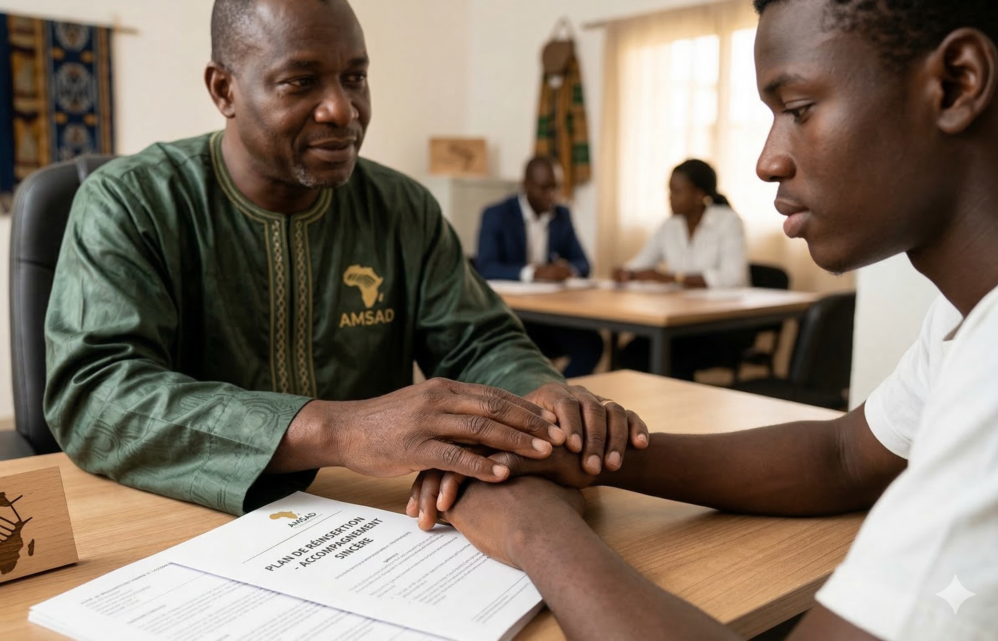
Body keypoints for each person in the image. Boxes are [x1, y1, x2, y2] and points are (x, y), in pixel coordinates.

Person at [413, 0, 998, 638]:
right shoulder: (962, 317)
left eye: (798, 110)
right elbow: (844, 455)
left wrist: (536, 531)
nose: (768, 161)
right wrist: (592, 460)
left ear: (956, 84)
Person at [43, 0, 646, 517]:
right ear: (224, 90)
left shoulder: (401, 206)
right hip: (178, 517)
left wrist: (542, 393)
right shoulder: (131, 201)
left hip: (374, 520)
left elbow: (479, 342)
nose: (342, 110)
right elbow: (95, 394)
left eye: (355, 78)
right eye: (300, 82)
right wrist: (341, 429)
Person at [613, 160, 752, 379]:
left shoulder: (727, 222)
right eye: (669, 191)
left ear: (699, 194)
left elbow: (733, 277)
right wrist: (626, 271)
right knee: (631, 353)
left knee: (672, 358)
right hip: (679, 323)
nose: (670, 198)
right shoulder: (670, 225)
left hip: (719, 325)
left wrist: (672, 278)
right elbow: (642, 262)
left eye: (677, 191)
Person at [475, 156, 603, 377]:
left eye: (556, 188)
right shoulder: (497, 214)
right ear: (525, 185)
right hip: (513, 317)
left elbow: (584, 264)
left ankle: (561, 395)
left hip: (552, 315)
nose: (551, 195)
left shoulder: (562, 215)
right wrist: (533, 272)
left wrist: (567, 269)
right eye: (545, 188)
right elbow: (485, 267)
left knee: (592, 344)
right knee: (520, 354)